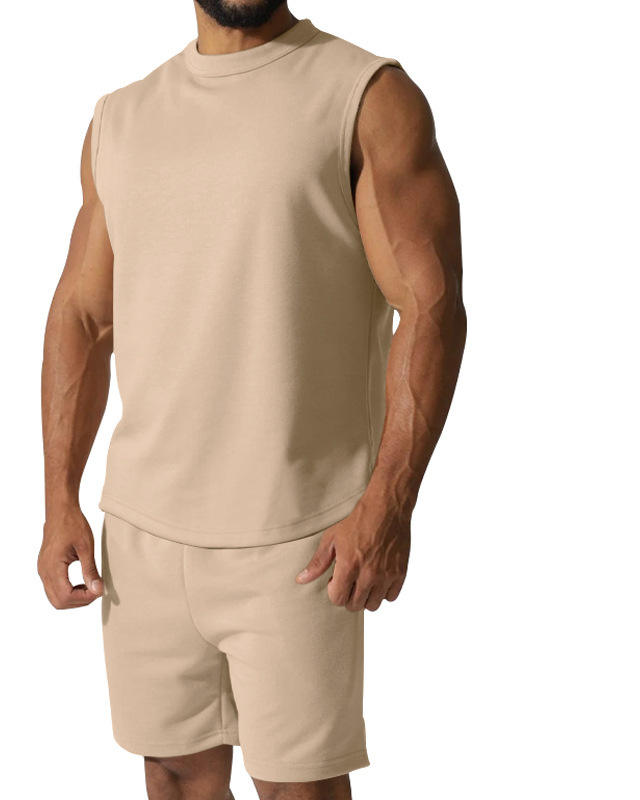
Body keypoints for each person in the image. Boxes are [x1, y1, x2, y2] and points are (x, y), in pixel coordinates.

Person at [39, 1, 466, 798]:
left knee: (298, 789)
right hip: (144, 534)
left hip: (299, 537)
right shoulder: (121, 118)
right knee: (173, 775)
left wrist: (389, 503)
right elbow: (83, 316)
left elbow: (431, 305)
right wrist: (60, 498)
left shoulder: (363, 95)